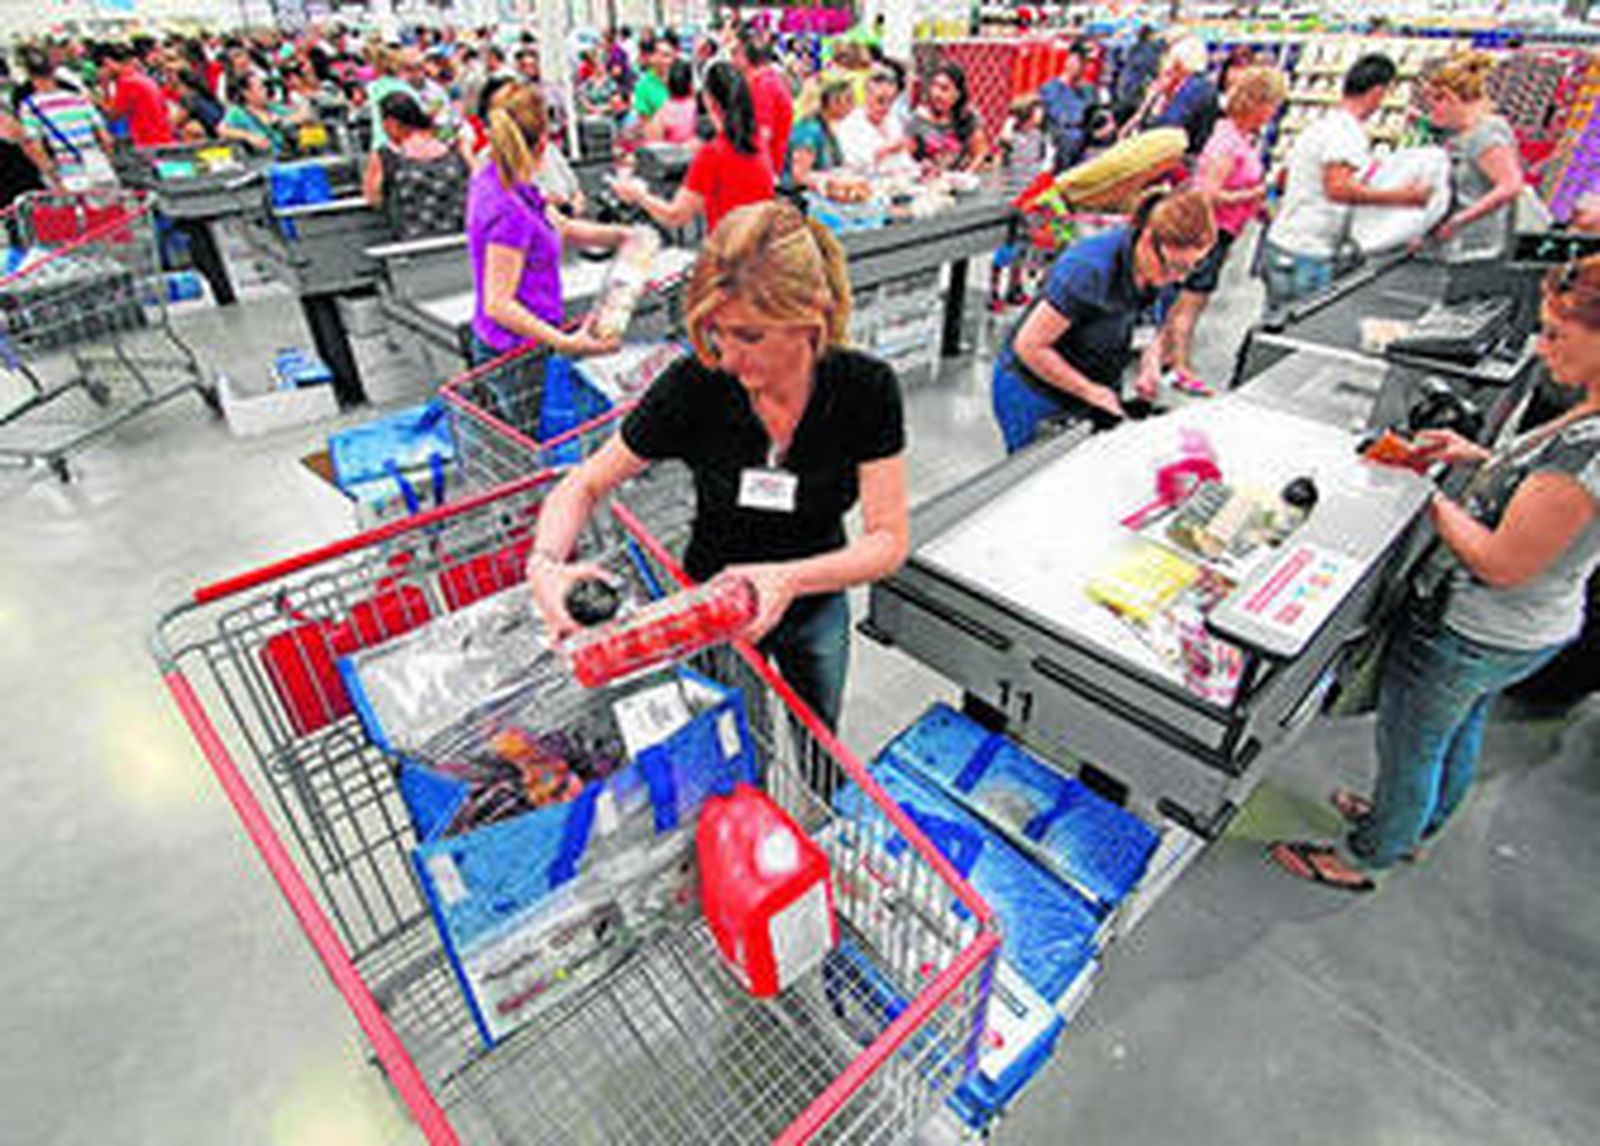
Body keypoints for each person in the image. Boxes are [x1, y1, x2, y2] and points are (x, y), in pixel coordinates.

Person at [1269, 256, 1600, 893]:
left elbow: (1501, 562)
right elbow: (1528, 487)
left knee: (1411, 747)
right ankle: (1418, 826)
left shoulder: (1585, 459)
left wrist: (1427, 492)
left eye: (1558, 334)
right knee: (1457, 730)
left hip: (1476, 628)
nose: (1542, 347)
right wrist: (1476, 458)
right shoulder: (1587, 412)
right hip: (1528, 630)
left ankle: (1369, 855)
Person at [525, 200, 909, 730]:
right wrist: (545, 565)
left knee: (819, 736)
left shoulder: (865, 388)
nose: (727, 357)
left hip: (816, 601)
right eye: (715, 333)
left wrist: (788, 579)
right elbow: (584, 483)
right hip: (711, 609)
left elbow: (887, 540)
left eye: (749, 336)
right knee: (737, 738)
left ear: (811, 315)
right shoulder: (697, 385)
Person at [990, 190, 1218, 453]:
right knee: (1041, 472)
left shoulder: (1166, 272)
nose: (1179, 278)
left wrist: (1150, 363)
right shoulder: (1088, 268)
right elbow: (1030, 346)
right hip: (1036, 392)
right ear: (1147, 239)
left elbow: (1149, 320)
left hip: (1095, 384)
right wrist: (1089, 391)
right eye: (1175, 267)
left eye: (1192, 266)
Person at [465, 84, 632, 379]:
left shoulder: (501, 180)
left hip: (524, 340)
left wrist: (623, 235)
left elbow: (562, 226)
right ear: (544, 143)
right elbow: (498, 303)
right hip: (516, 352)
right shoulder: (508, 209)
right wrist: (565, 342)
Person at [1260, 53, 1432, 309]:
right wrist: (1404, 196)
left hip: (1284, 241)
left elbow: (1284, 178)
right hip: (1309, 251)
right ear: (1378, 92)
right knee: (1306, 326)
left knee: (1274, 322)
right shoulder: (1347, 134)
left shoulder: (1320, 126)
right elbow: (1337, 188)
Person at [1161, 66, 1287, 393]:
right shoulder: (1227, 142)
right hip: (1210, 231)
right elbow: (1207, 194)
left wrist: (1256, 208)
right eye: (1272, 104)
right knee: (1191, 300)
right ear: (1257, 103)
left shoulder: (1236, 137)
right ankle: (1178, 365)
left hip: (1221, 230)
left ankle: (1168, 357)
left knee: (1192, 299)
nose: (1274, 112)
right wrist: (1254, 194)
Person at [612, 62, 774, 234]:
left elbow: (675, 216)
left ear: (709, 100)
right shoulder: (758, 140)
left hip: (728, 245)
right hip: (760, 241)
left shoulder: (713, 153)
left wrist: (639, 196)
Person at [1419, 51, 1525, 262]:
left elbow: (1510, 185)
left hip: (1479, 250)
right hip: (1458, 247)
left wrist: (1459, 220)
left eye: (1433, 107)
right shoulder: (1460, 134)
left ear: (1449, 98)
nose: (1431, 115)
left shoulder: (1486, 134)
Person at [362, 92, 470, 240]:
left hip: (412, 244)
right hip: (460, 240)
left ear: (391, 122)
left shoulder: (386, 156)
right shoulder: (453, 146)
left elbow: (372, 198)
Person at [17, 50, 116, 191]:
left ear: (30, 76)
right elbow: (106, 139)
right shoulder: (79, 99)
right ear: (53, 73)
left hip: (69, 171)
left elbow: (36, 148)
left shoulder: (31, 106)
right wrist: (106, 160)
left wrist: (54, 178)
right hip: (98, 163)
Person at [1123, 36, 1218, 157]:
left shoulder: (1195, 88)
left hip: (1181, 158)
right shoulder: (1193, 86)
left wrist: (1155, 108)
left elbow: (1169, 128)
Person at [909, 62, 989, 173]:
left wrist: (966, 174)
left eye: (944, 89)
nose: (936, 94)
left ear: (957, 94)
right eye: (934, 86)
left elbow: (980, 152)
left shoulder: (968, 118)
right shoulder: (918, 118)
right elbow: (906, 155)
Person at [836, 67, 914, 175]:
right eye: (880, 101)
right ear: (867, 96)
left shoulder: (892, 120)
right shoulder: (850, 125)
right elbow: (853, 166)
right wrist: (883, 151)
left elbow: (904, 161)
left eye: (891, 101)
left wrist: (918, 168)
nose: (886, 107)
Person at [1037, 43, 1100, 173]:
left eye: (1086, 63)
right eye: (1080, 61)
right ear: (1069, 61)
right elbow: (1059, 119)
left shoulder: (1090, 91)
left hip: (1084, 150)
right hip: (1060, 149)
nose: (1082, 67)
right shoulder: (1051, 89)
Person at [739, 32, 794, 179]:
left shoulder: (763, 85)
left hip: (768, 168)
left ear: (745, 59)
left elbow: (763, 134)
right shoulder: (772, 79)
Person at [102, 44, 176, 147]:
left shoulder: (126, 82)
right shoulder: (140, 77)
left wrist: (104, 87)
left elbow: (112, 116)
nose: (104, 71)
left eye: (105, 66)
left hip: (150, 143)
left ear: (109, 63)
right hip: (163, 137)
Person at [786, 77, 853, 190]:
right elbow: (799, 176)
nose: (853, 106)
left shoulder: (827, 128)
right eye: (848, 100)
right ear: (833, 102)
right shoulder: (809, 131)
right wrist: (832, 181)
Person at [219, 72, 298, 157]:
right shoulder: (238, 112)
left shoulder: (272, 106)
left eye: (264, 87)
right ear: (247, 93)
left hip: (288, 154)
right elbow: (222, 129)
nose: (265, 90)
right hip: (263, 159)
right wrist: (248, 136)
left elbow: (297, 115)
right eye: (260, 88)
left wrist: (283, 120)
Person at [644, 60, 699, 146]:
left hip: (672, 152)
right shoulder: (700, 107)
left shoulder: (662, 114)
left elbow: (655, 146)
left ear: (667, 83)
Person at [630, 31, 676, 124]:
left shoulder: (683, 79)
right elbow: (645, 122)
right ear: (652, 58)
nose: (670, 61)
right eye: (665, 56)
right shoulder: (643, 86)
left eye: (672, 56)